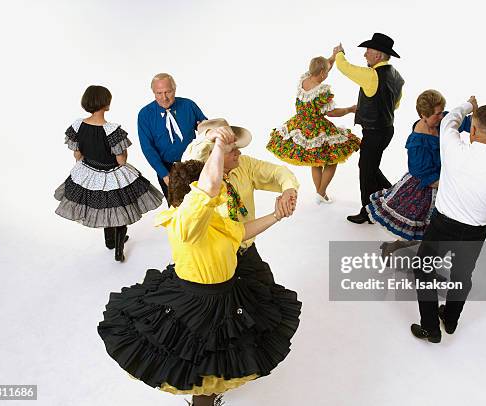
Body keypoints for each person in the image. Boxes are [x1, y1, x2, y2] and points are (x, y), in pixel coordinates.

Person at [97, 126, 301, 406]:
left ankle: (215, 389)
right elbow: (207, 188)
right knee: (200, 366)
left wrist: (276, 215)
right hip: (199, 303)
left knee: (228, 347)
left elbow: (240, 232)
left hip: (227, 292)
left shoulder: (216, 219)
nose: (222, 193)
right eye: (214, 191)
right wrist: (218, 146)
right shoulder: (187, 222)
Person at [411, 96, 486, 343]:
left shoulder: (452, 148)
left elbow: (450, 119)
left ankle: (430, 327)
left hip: (442, 225)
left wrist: (470, 104)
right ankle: (450, 320)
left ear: (472, 129)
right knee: (462, 276)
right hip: (476, 232)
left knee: (424, 270)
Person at [182, 118, 299, 285]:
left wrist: (288, 189)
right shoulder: (196, 175)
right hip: (215, 255)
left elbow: (278, 172)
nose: (239, 153)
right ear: (214, 153)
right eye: (232, 150)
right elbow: (192, 156)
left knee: (264, 291)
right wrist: (210, 136)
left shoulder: (244, 164)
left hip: (245, 249)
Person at [54, 85, 164, 262]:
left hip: (88, 170)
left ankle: (110, 241)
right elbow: (121, 161)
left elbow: (77, 154)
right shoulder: (112, 130)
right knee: (120, 209)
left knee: (105, 206)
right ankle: (118, 249)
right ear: (106, 104)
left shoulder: (77, 125)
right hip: (112, 173)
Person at [368, 90, 471, 256]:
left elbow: (461, 121)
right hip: (426, 186)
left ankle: (425, 264)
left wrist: (475, 114)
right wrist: (454, 184)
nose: (441, 117)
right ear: (424, 114)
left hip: (443, 179)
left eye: (442, 112)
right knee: (424, 232)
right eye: (437, 114)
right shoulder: (418, 142)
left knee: (435, 232)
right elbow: (423, 174)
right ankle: (395, 250)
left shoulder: (440, 119)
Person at [266, 55, 360, 203]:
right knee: (332, 158)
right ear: (322, 73)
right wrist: (350, 109)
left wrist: (333, 57)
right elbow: (331, 113)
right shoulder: (322, 90)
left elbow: (322, 65)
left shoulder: (304, 79)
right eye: (327, 72)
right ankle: (321, 193)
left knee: (315, 159)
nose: (327, 74)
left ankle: (320, 194)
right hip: (316, 126)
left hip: (300, 124)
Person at [334, 33, 405, 223]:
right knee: (370, 168)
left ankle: (368, 212)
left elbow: (344, 67)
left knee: (366, 172)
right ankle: (394, 196)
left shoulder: (371, 75)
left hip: (374, 132)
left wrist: (339, 53)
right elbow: (394, 105)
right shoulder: (397, 77)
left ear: (379, 55)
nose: (365, 55)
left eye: (368, 51)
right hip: (386, 130)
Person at [137, 72, 207, 199]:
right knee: (176, 209)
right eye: (159, 93)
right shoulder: (145, 114)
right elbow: (147, 147)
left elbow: (206, 129)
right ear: (153, 92)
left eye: (168, 92)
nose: (164, 98)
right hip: (167, 168)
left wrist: (203, 127)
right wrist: (163, 173)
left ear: (174, 89)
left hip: (193, 163)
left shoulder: (189, 105)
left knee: (200, 205)